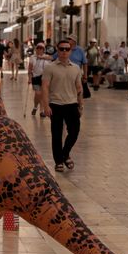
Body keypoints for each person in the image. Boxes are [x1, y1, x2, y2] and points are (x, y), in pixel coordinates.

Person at [41, 39, 83, 173]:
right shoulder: (50, 67)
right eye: (61, 49)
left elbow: (79, 87)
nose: (64, 52)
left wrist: (80, 105)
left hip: (72, 104)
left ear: (71, 51)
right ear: (57, 50)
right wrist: (46, 106)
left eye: (67, 49)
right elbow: (45, 87)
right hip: (56, 105)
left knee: (74, 132)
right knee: (57, 134)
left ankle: (65, 154)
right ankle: (59, 161)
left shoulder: (76, 68)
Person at [27, 42, 51, 116]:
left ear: (43, 50)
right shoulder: (32, 57)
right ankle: (35, 106)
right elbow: (30, 69)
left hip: (44, 78)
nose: (39, 50)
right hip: (35, 77)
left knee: (43, 94)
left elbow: (52, 59)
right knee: (38, 94)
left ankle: (41, 111)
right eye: (38, 48)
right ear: (36, 49)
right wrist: (29, 78)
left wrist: (42, 57)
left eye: (41, 48)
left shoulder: (47, 57)